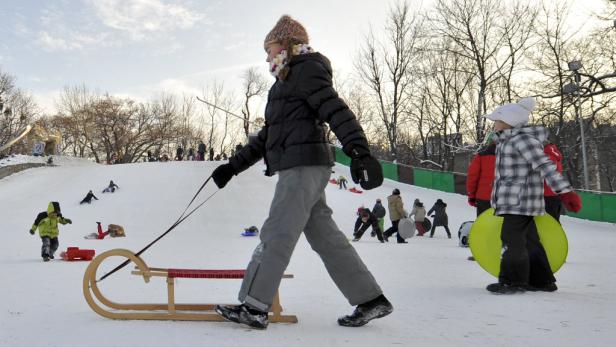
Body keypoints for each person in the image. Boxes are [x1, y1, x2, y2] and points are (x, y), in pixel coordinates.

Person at [211, 15, 391, 329]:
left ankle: (253, 306)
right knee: (325, 237)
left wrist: (360, 152)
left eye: (269, 48)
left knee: (278, 231)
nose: (266, 56)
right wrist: (232, 167)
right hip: (304, 166)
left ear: (287, 44)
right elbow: (268, 136)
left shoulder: (305, 70)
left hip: (302, 167)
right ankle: (370, 299)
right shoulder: (283, 82)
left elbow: (335, 109)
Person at [484, 97, 582, 294]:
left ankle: (513, 281)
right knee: (529, 241)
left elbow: (545, 166)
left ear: (508, 121)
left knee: (511, 240)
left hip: (519, 202)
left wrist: (565, 191)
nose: (493, 124)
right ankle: (542, 280)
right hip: (516, 200)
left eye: (496, 120)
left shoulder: (522, 141)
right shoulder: (507, 141)